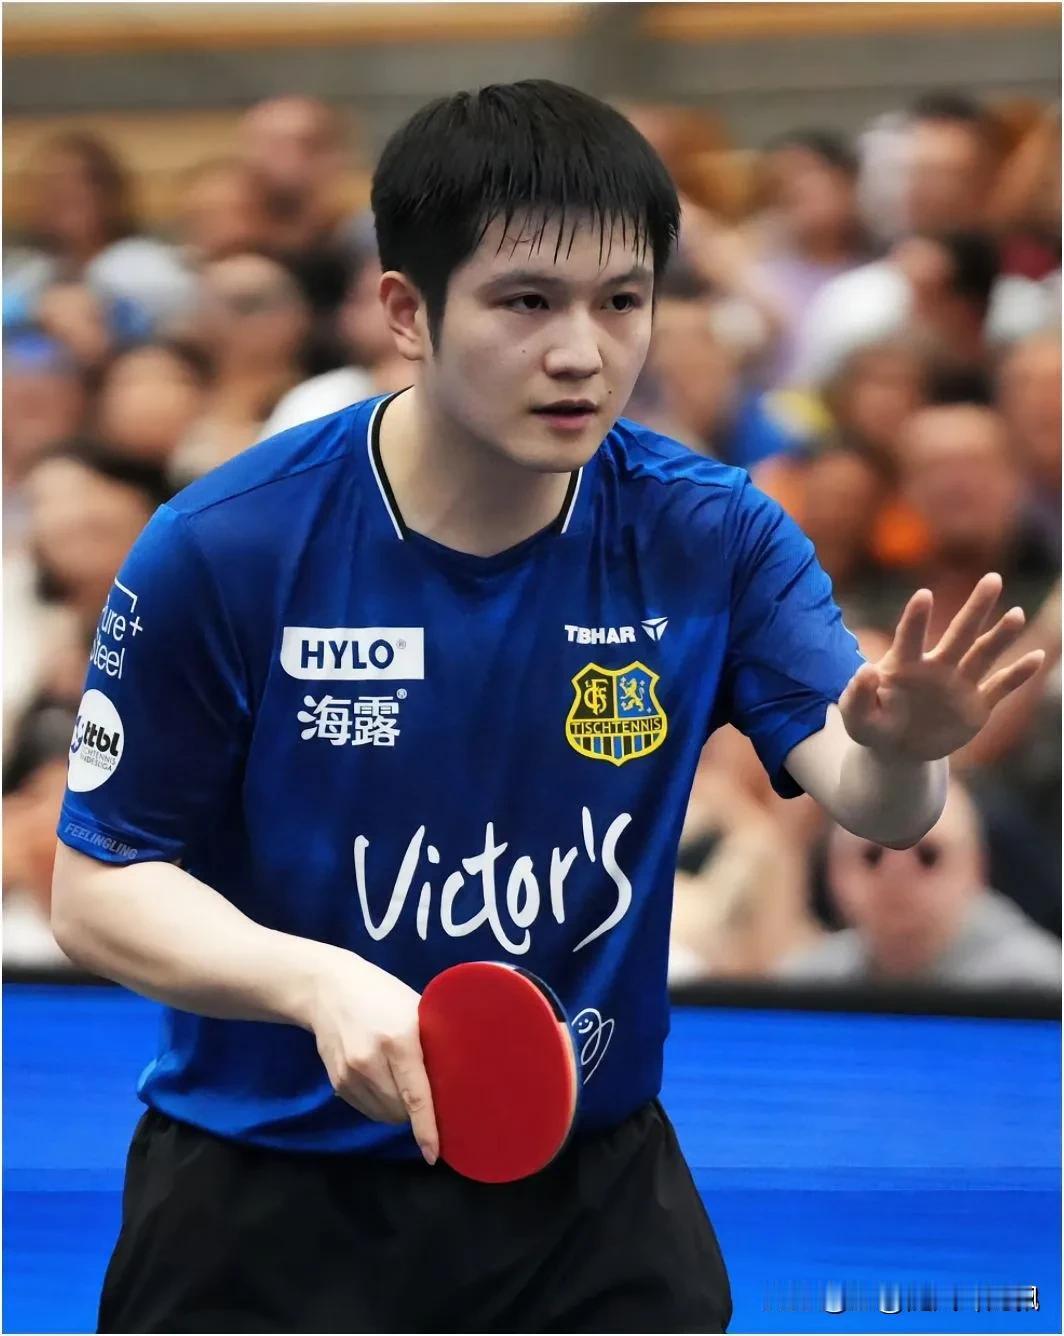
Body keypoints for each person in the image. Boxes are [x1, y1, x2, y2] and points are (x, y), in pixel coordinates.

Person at [51, 80, 1044, 1334]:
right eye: (526, 301)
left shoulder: (710, 532)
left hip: (586, 1202)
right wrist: (313, 983)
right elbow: (97, 889)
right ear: (406, 312)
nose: (582, 351)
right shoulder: (225, 545)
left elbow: (874, 799)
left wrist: (905, 751)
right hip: (260, 1199)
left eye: (620, 300)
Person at [776, 781, 1061, 987]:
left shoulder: (1041, 986)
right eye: (872, 856)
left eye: (928, 856)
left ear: (977, 870)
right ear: (832, 871)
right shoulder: (804, 986)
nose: (896, 875)